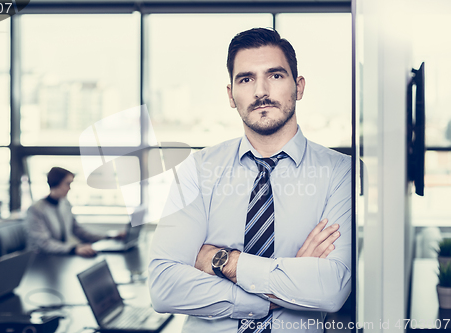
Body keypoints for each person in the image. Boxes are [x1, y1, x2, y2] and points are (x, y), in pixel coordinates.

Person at [148, 28, 351, 333]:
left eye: (276, 75)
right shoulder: (197, 169)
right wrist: (280, 289)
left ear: (299, 86)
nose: (260, 91)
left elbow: (332, 290)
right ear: (231, 94)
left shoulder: (341, 172)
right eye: (246, 79)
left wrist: (224, 261)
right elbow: (164, 288)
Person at [26, 167, 122, 257]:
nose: (70, 188)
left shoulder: (65, 203)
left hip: (60, 256)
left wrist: (108, 237)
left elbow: (78, 231)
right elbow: (44, 243)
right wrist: (74, 249)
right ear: (56, 183)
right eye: (68, 184)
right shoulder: (35, 209)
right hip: (41, 259)